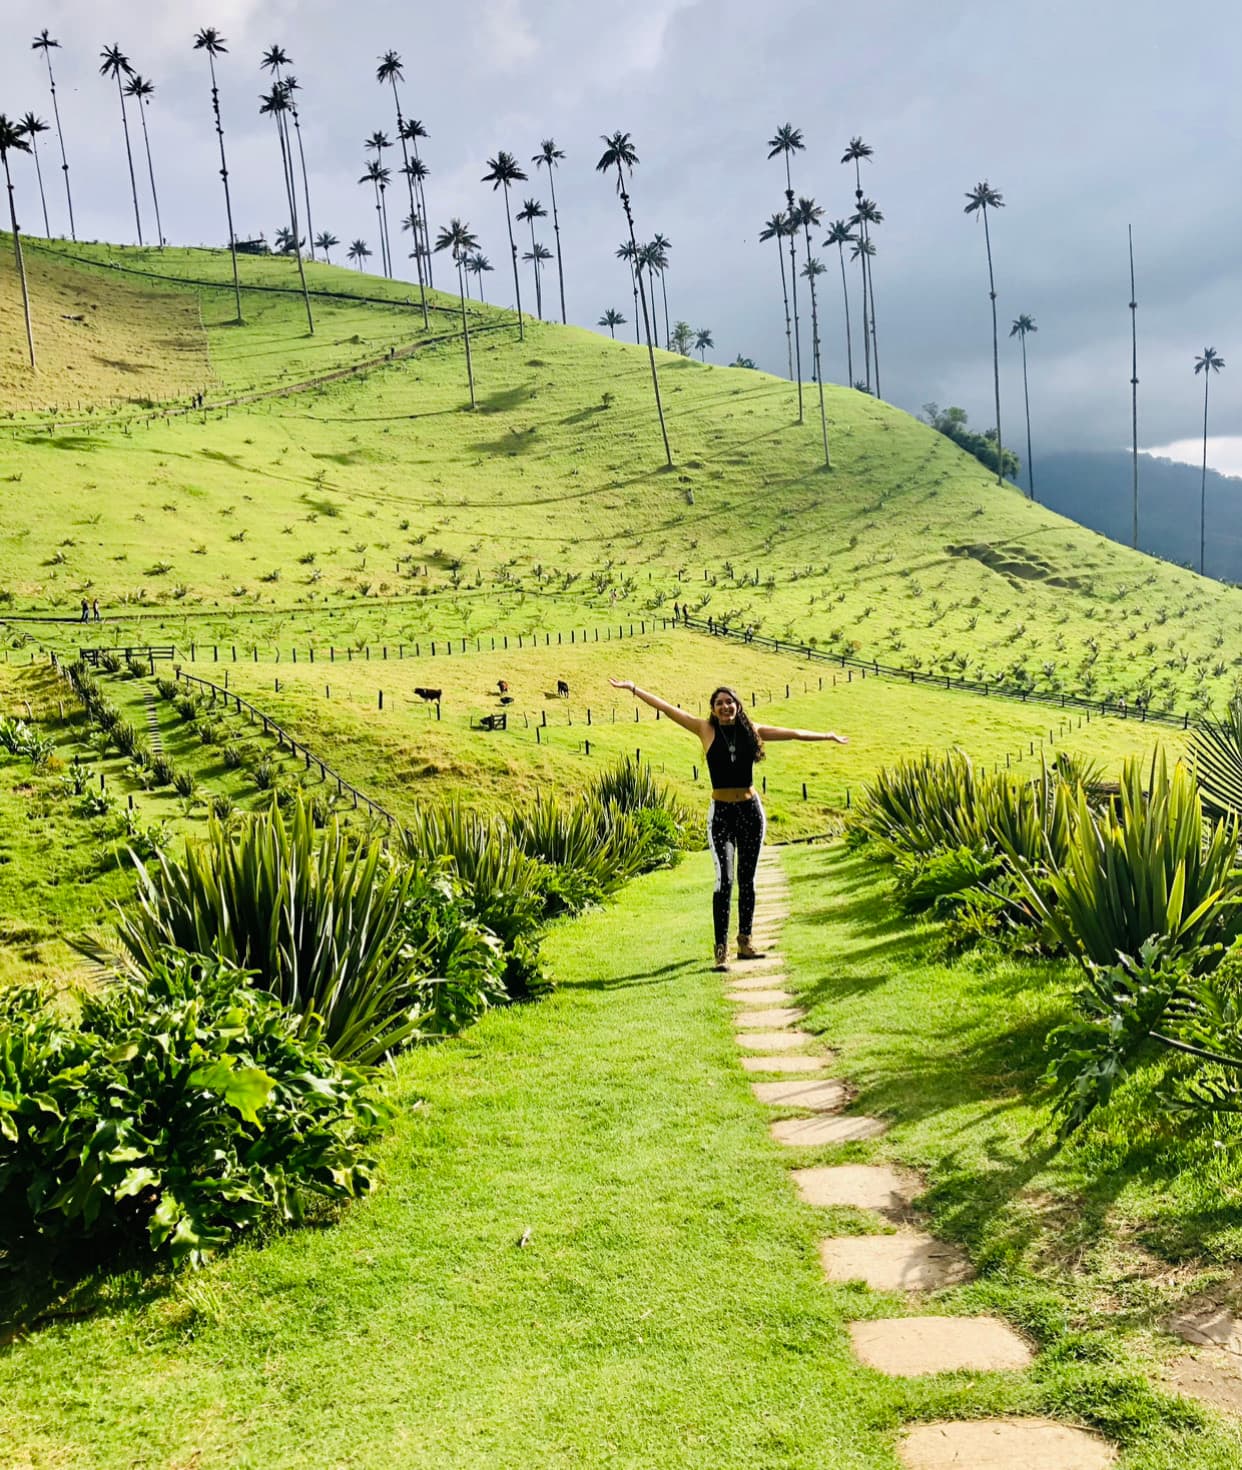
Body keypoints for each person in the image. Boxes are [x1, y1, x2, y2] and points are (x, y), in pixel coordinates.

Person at [608, 678, 847, 970]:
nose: (725, 706)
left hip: (750, 812)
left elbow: (793, 733)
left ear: (738, 706)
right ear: (713, 708)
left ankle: (745, 942)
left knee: (748, 879)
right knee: (724, 880)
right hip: (721, 813)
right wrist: (634, 688)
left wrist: (827, 735)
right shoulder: (705, 730)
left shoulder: (752, 731)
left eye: (729, 701)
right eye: (719, 702)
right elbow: (668, 709)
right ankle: (721, 950)